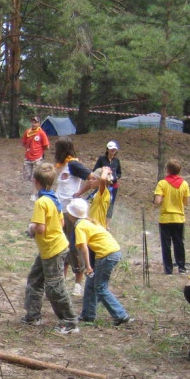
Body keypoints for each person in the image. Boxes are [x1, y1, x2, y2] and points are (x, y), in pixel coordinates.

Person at [23, 163, 79, 334]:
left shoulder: (42, 202)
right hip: (50, 248)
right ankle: (33, 316)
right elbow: (61, 223)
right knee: (35, 280)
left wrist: (31, 228)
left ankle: (70, 321)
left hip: (53, 250)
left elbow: (40, 228)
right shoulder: (53, 197)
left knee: (54, 287)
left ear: (36, 180)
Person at [69, 198, 131, 326]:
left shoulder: (80, 226)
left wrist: (88, 266)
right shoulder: (89, 221)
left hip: (106, 255)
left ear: (71, 215)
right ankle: (88, 314)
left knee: (100, 287)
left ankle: (121, 315)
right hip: (113, 252)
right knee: (91, 283)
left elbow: (84, 248)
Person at [53, 138, 98, 297]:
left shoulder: (73, 164)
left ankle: (78, 283)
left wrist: (79, 193)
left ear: (62, 150)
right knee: (62, 246)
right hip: (61, 212)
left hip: (71, 213)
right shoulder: (64, 166)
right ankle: (61, 282)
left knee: (74, 247)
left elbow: (92, 179)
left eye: (57, 149)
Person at [154, 159, 190, 275]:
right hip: (178, 218)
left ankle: (168, 270)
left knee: (166, 245)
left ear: (168, 170)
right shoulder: (184, 184)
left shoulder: (162, 183)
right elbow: (186, 202)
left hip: (165, 218)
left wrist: (161, 200)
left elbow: (157, 201)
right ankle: (182, 267)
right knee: (179, 243)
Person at [21, 115, 50, 201]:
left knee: (35, 176)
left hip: (37, 158)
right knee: (27, 176)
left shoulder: (41, 133)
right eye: (33, 122)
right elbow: (23, 143)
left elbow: (46, 146)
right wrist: (28, 149)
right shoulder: (27, 132)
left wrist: (39, 151)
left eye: (36, 122)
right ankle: (40, 184)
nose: (34, 124)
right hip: (28, 157)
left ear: (39, 123)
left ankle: (34, 194)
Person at [94, 141, 122, 218]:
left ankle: (107, 221)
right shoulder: (101, 159)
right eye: (111, 149)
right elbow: (95, 170)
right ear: (107, 149)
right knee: (98, 199)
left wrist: (115, 178)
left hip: (113, 185)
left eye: (114, 149)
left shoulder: (117, 161)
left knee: (111, 202)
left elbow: (119, 173)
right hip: (102, 184)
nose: (113, 150)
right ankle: (96, 216)